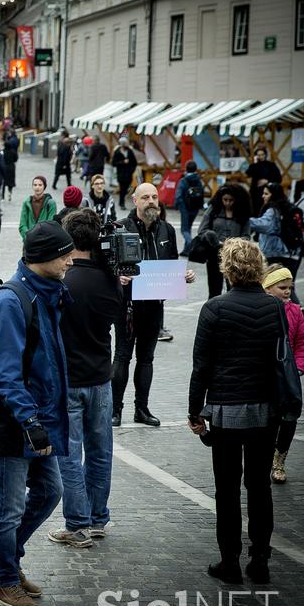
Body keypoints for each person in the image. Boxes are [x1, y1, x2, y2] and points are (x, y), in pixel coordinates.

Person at [0, 221, 74, 606]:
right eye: (65, 254)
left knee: (51, 491)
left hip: (41, 419)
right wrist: (31, 422)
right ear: (43, 259)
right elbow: (4, 373)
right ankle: (3, 580)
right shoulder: (11, 301)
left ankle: (4, 560)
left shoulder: (50, 292)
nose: (71, 260)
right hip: (16, 424)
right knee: (10, 505)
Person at [188, 238, 285, 585]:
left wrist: (194, 410)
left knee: (226, 488)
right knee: (259, 486)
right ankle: (260, 559)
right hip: (264, 409)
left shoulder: (214, 308)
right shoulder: (274, 307)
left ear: (226, 268)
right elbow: (280, 359)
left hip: (226, 409)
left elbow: (201, 366)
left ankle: (229, 560)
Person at [48, 209, 122, 549]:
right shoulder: (111, 279)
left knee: (68, 454)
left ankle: (76, 523)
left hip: (70, 380)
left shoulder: (64, 282)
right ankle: (98, 518)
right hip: (100, 378)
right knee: (100, 451)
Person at [113, 183, 196, 427]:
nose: (151, 201)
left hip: (153, 306)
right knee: (122, 356)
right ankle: (115, 409)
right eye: (146, 197)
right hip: (127, 306)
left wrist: (183, 276)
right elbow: (107, 265)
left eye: (154, 197)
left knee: (146, 358)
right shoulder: (120, 228)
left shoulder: (167, 230)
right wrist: (117, 275)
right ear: (135, 200)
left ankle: (142, 409)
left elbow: (170, 264)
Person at [262, 264, 304, 484]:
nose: (288, 291)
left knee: (290, 416)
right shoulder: (260, 309)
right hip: (265, 374)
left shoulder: (295, 312)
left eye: (290, 287)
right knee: (269, 418)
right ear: (268, 287)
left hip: (288, 374)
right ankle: (264, 457)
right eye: (282, 287)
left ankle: (280, 457)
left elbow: (303, 341)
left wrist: (299, 366)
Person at [250, 182, 302, 303]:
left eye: (266, 193)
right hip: (291, 253)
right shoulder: (285, 206)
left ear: (273, 195)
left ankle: (295, 310)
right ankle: (294, 311)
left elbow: (264, 224)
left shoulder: (273, 210)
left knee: (280, 286)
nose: (263, 196)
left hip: (277, 253)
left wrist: (244, 219)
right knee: (288, 285)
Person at [197, 184, 252, 297]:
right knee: (214, 289)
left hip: (234, 256)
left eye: (231, 200)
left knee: (233, 289)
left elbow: (246, 236)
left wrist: (234, 244)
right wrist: (213, 238)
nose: (227, 203)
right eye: (225, 200)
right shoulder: (213, 210)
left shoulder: (242, 213)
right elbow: (202, 231)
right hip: (214, 254)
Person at [174, 160, 204, 255]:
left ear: (186, 168)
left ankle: (190, 243)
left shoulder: (184, 180)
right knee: (189, 227)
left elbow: (178, 195)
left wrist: (177, 206)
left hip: (185, 207)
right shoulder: (198, 180)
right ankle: (186, 250)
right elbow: (202, 193)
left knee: (184, 229)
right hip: (195, 208)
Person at [246, 147, 283, 216]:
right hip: (256, 192)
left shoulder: (271, 165)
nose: (261, 156)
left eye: (262, 154)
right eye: (258, 155)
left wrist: (267, 181)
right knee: (255, 210)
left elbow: (278, 178)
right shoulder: (254, 166)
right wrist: (255, 163)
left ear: (265, 155)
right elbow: (248, 173)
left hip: (267, 191)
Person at [111, 138, 137, 210]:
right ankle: (122, 203)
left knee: (125, 189)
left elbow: (134, 163)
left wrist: (131, 171)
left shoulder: (130, 151)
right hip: (121, 174)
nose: (125, 145)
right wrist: (122, 162)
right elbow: (114, 163)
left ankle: (121, 201)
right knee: (122, 188)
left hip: (128, 174)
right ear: (121, 144)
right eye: (124, 144)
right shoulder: (117, 152)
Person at [3, 130, 20, 201]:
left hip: (4, 167)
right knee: (10, 181)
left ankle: (3, 196)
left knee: (4, 182)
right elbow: (16, 159)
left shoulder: (3, 152)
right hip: (11, 167)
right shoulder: (13, 152)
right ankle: (10, 193)